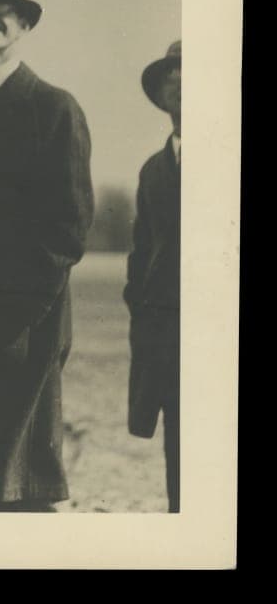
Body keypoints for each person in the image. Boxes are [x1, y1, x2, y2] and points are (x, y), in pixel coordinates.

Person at [0, 0, 94, 512]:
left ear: (24, 26)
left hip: (26, 320)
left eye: (3, 10)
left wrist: (11, 312)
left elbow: (67, 229)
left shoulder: (53, 107)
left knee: (22, 483)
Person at [125, 40, 181, 513]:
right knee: (179, 454)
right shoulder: (153, 169)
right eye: (171, 75)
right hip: (168, 338)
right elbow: (141, 257)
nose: (181, 82)